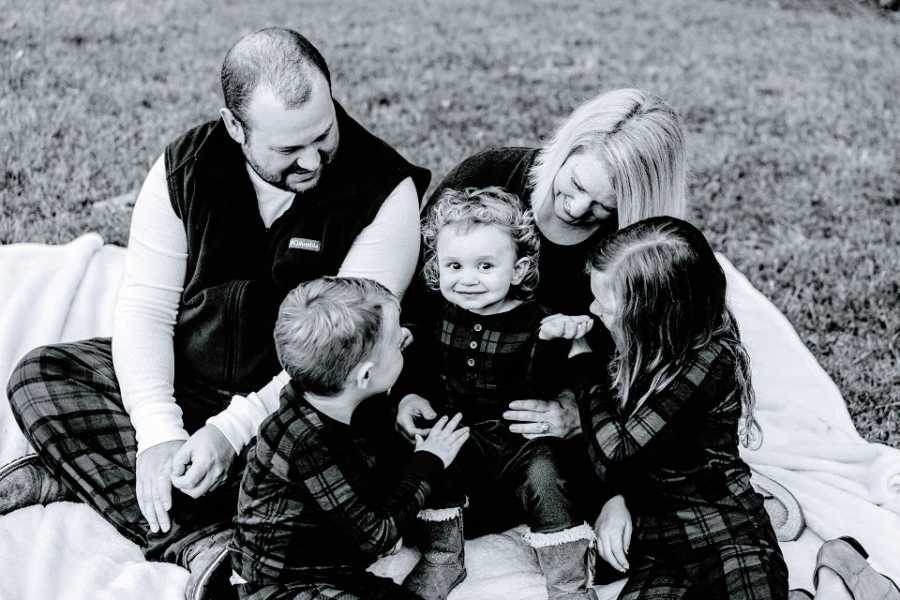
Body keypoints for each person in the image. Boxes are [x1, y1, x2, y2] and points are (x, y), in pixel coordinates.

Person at [1, 27, 429, 600]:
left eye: (323, 135)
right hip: (193, 382)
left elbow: (352, 353)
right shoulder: (184, 168)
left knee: (330, 480)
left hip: (309, 412)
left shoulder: (386, 192)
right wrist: (157, 433)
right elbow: (146, 307)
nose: (312, 160)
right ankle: (198, 533)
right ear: (234, 126)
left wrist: (230, 433)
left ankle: (103, 487)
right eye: (286, 150)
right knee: (42, 376)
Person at [421, 88, 687, 441]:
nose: (576, 209)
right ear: (567, 148)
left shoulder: (634, 248)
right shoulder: (488, 177)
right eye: (576, 183)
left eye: (604, 206)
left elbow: (642, 351)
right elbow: (414, 298)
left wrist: (583, 408)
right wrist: (411, 389)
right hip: (445, 391)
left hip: (546, 410)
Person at [565, 216, 787, 599]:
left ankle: (835, 566)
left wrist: (582, 366)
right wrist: (613, 499)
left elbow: (616, 454)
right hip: (660, 545)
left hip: (726, 533)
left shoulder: (709, 359)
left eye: (606, 304)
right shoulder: (631, 343)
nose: (593, 309)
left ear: (654, 316)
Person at [394, 187, 598, 600]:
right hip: (462, 433)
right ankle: (442, 556)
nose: (467, 279)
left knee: (546, 475)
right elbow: (421, 364)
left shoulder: (536, 321)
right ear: (437, 267)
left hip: (520, 441)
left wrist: (556, 339)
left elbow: (547, 380)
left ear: (519, 269)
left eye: (485, 266)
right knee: (435, 455)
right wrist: (409, 395)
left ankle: (569, 581)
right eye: (454, 265)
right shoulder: (439, 314)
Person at [231, 276, 469, 600]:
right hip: (283, 585)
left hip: (334, 564)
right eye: (396, 341)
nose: (404, 336)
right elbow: (377, 536)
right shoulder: (306, 441)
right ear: (365, 376)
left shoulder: (324, 396)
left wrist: (401, 404)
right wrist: (429, 461)